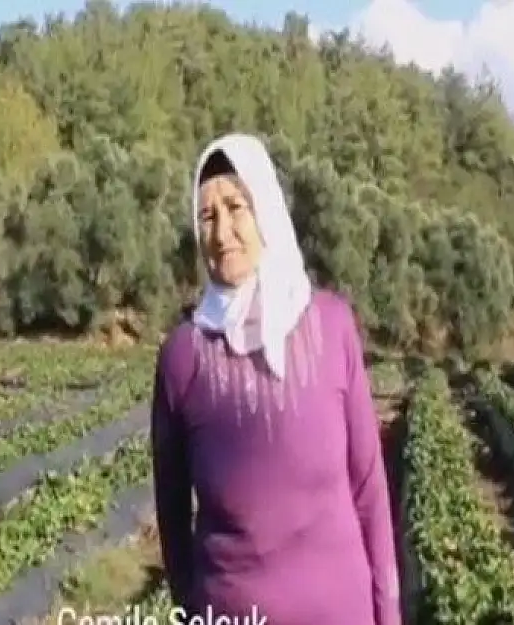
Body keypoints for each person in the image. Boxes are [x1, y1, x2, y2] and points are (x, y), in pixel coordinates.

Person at [150, 133, 400, 625]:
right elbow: (173, 519)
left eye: (235, 207)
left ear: (264, 208)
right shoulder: (184, 356)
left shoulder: (330, 326)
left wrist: (387, 612)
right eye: (207, 216)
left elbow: (369, 485)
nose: (221, 233)